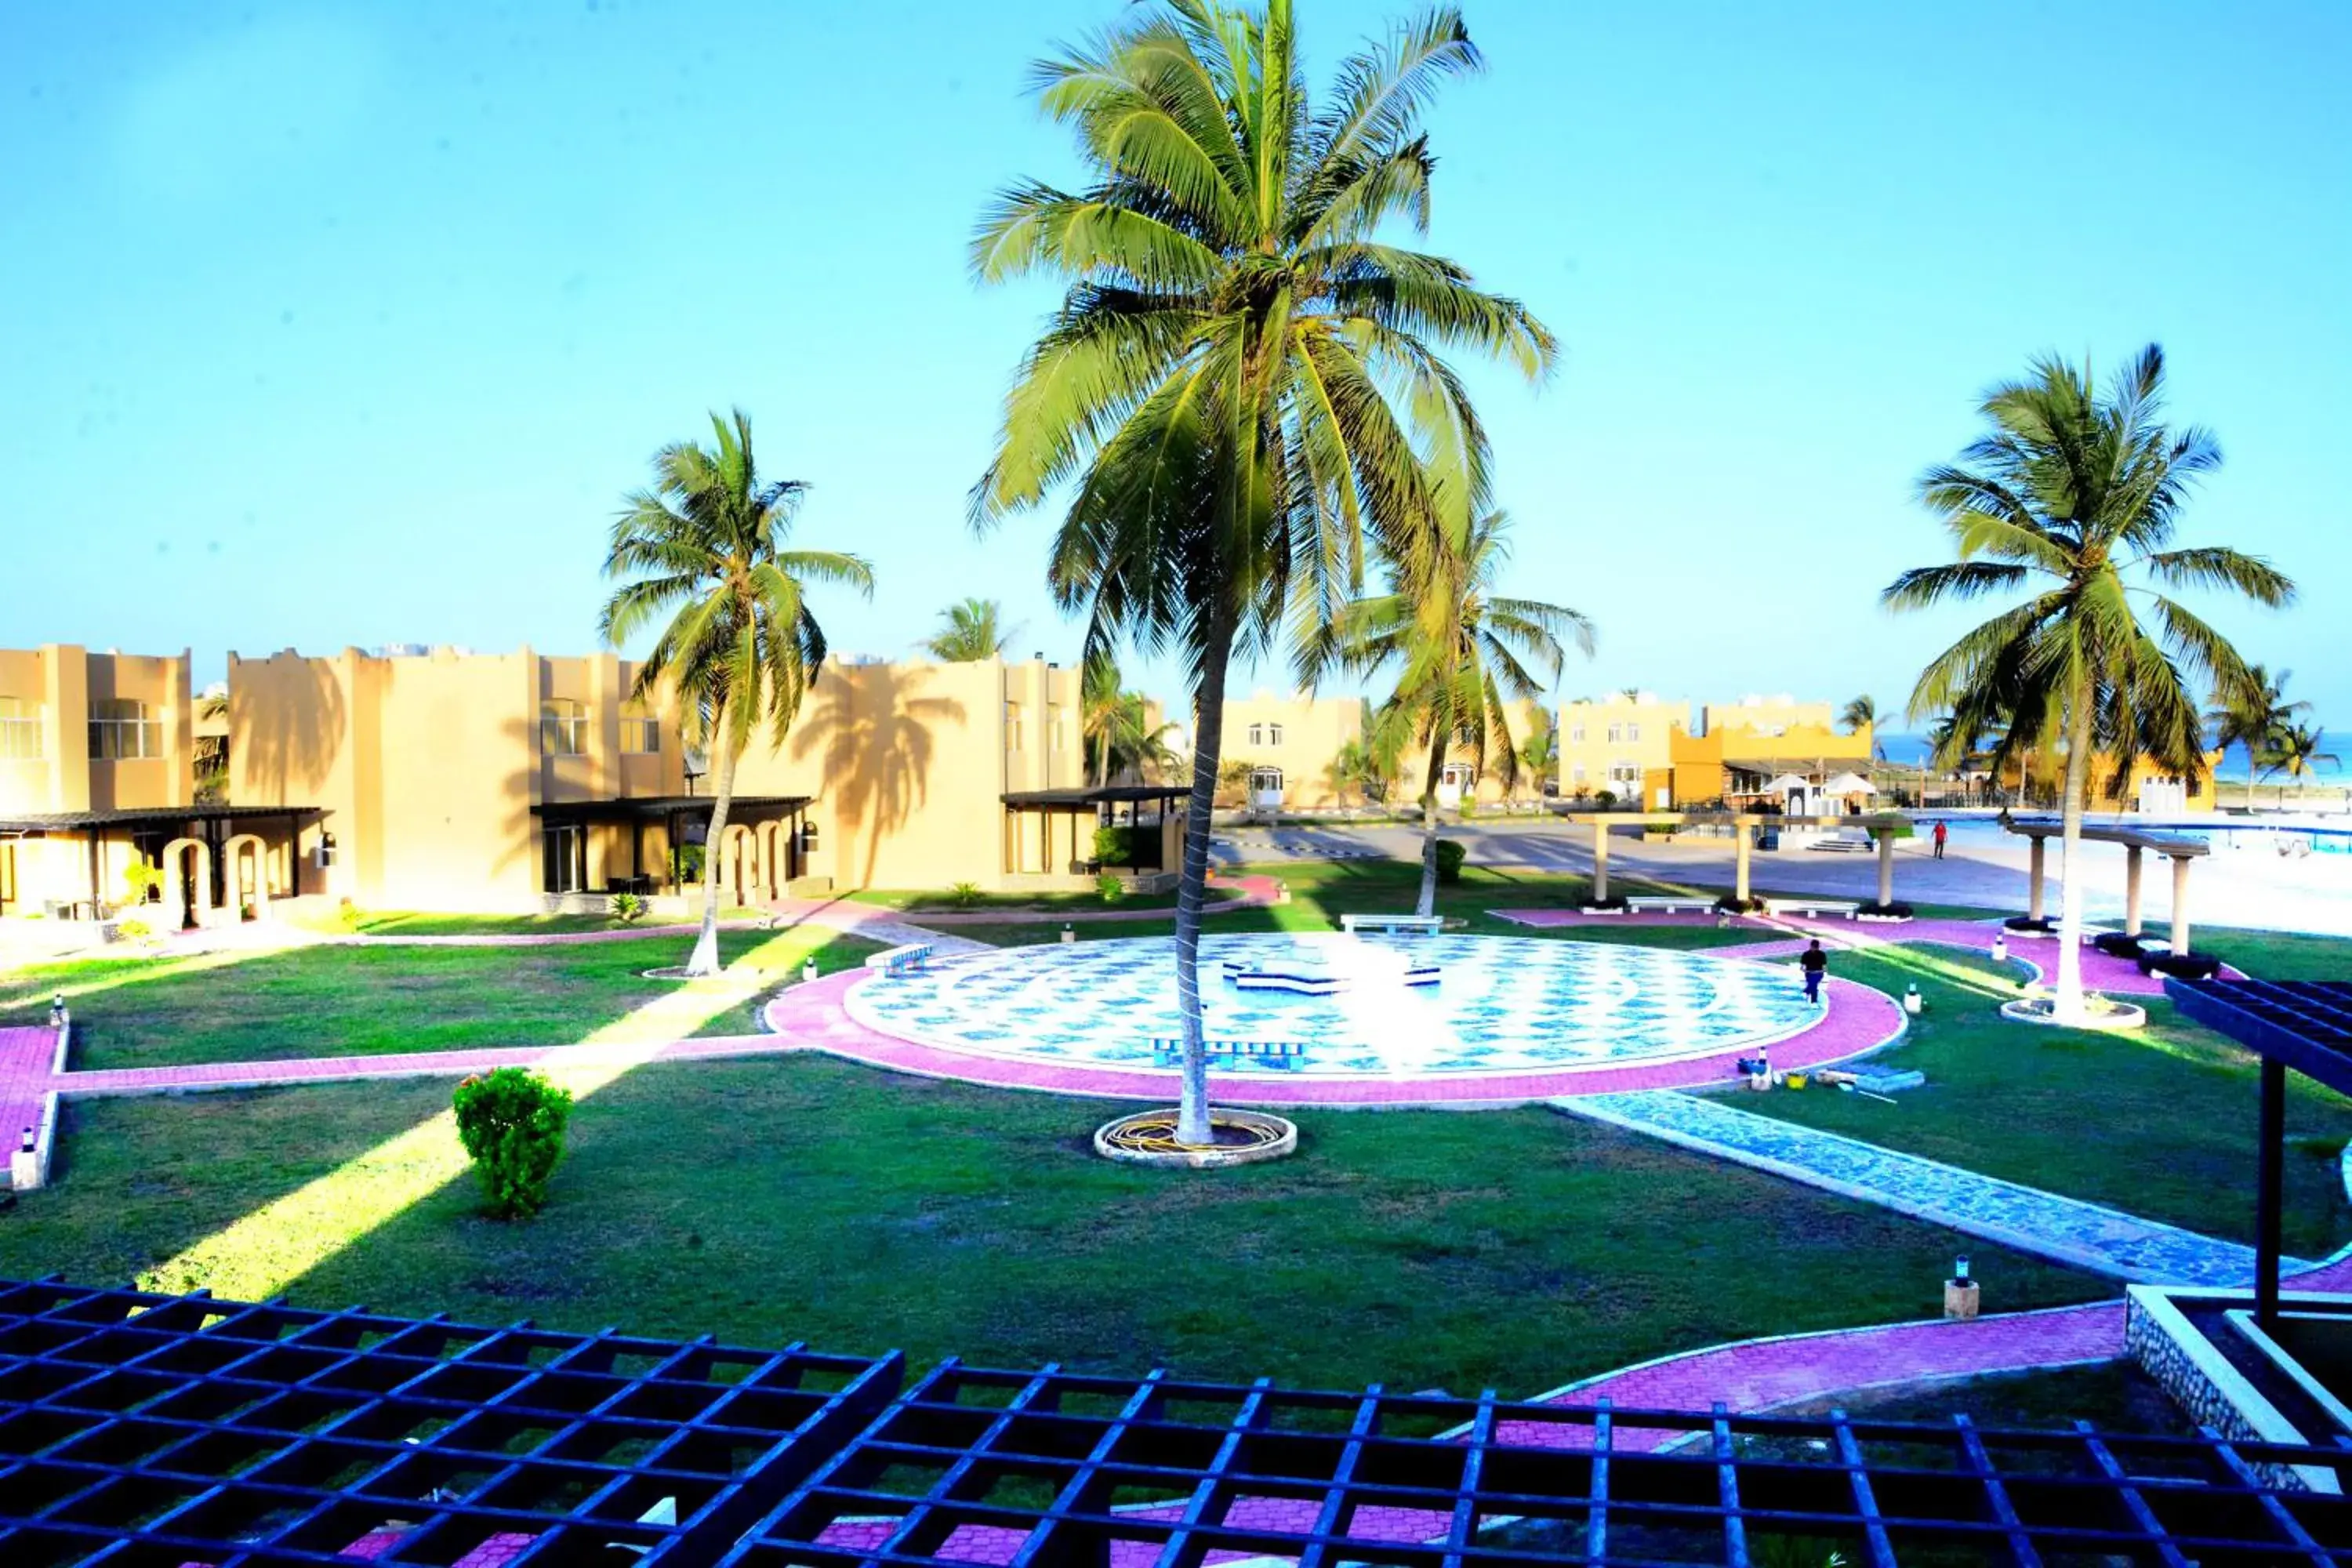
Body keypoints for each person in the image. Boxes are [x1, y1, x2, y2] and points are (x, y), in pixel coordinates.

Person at [1800, 938, 1828, 1005]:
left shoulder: (1822, 955)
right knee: (1813, 984)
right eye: (1813, 947)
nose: (1814, 949)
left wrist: (1817, 971)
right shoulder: (1806, 954)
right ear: (1811, 946)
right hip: (1809, 973)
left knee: (1814, 984)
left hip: (1819, 974)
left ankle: (1813, 1001)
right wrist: (1805, 970)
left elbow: (1825, 968)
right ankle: (1807, 992)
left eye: (1816, 948)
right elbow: (1802, 967)